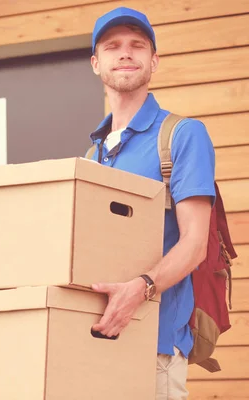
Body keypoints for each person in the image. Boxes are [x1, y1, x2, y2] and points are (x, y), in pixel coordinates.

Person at [86, 7, 216, 400]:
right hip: (91, 344)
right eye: (113, 47)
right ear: (96, 64)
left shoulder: (182, 135)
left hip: (154, 345)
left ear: (153, 61)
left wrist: (139, 290)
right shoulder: (91, 157)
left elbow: (195, 243)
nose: (125, 53)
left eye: (137, 45)